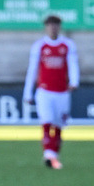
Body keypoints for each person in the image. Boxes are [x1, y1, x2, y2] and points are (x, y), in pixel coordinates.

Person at [23, 15, 79, 169]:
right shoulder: (39, 46)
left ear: (59, 27)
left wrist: (75, 82)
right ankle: (49, 156)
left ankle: (54, 155)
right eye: (50, 25)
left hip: (62, 92)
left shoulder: (67, 45)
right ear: (46, 27)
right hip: (44, 92)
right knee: (46, 122)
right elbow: (32, 69)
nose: (52, 27)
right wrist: (27, 93)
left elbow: (73, 64)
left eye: (55, 25)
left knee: (59, 126)